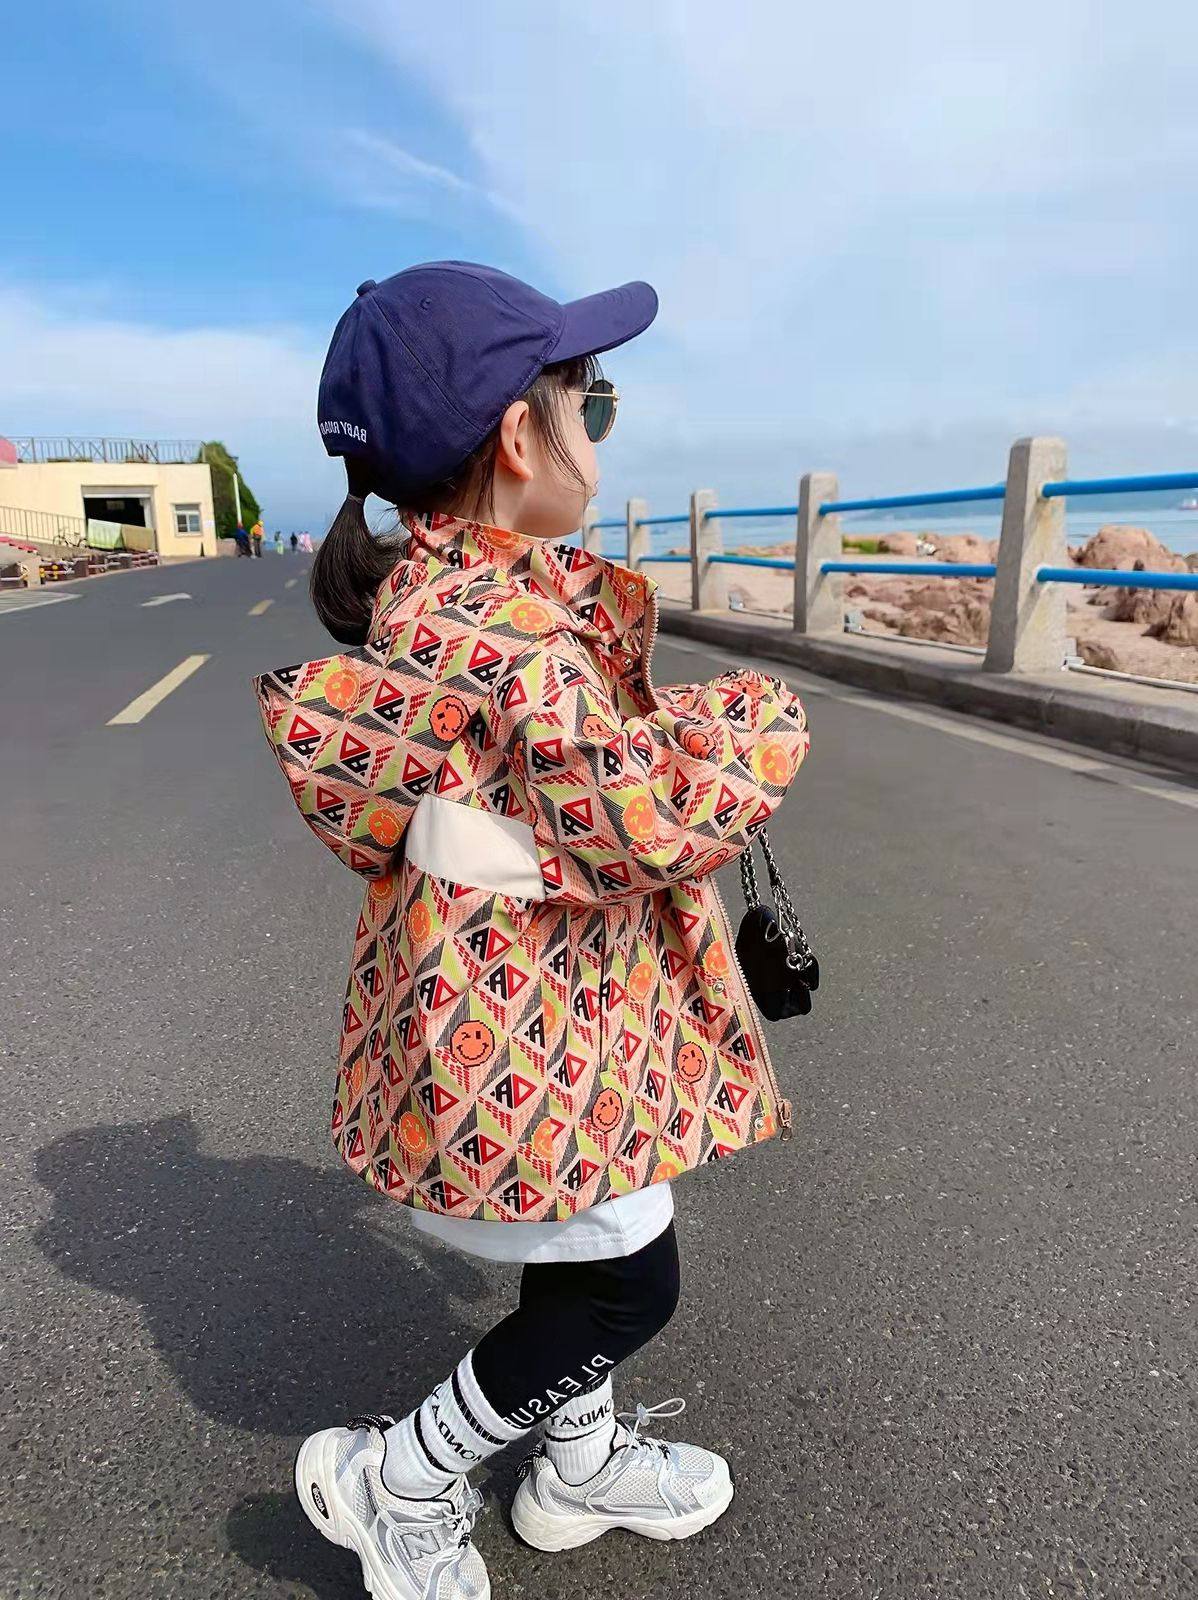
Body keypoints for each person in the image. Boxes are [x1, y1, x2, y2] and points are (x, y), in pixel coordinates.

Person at [253, 262, 810, 1600]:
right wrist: (758, 724)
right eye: (591, 403)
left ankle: (580, 1464)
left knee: (588, 1245)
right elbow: (639, 817)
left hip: (521, 1013)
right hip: (535, 1032)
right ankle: (402, 1478)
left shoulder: (451, 597)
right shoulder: (511, 637)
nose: (599, 427)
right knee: (625, 1286)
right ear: (520, 435)